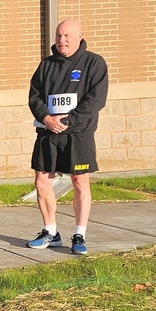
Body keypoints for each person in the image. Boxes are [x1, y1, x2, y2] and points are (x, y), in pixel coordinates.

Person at [27, 18, 109, 256]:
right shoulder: (46, 65)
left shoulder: (94, 63)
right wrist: (46, 118)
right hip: (48, 131)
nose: (62, 40)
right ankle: (50, 231)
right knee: (42, 182)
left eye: (67, 36)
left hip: (78, 134)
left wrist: (69, 120)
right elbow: (34, 97)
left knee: (80, 182)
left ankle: (79, 234)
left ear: (79, 36)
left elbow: (96, 99)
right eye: (58, 36)